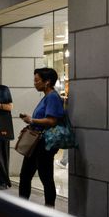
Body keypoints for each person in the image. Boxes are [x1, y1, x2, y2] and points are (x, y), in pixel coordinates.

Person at [18, 67, 65, 208]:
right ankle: (21, 205)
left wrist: (31, 120)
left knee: (45, 177)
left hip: (44, 143)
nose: (35, 83)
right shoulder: (47, 96)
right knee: (26, 175)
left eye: (37, 80)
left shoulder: (52, 97)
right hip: (37, 142)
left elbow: (52, 121)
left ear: (47, 82)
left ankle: (49, 208)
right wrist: (29, 127)